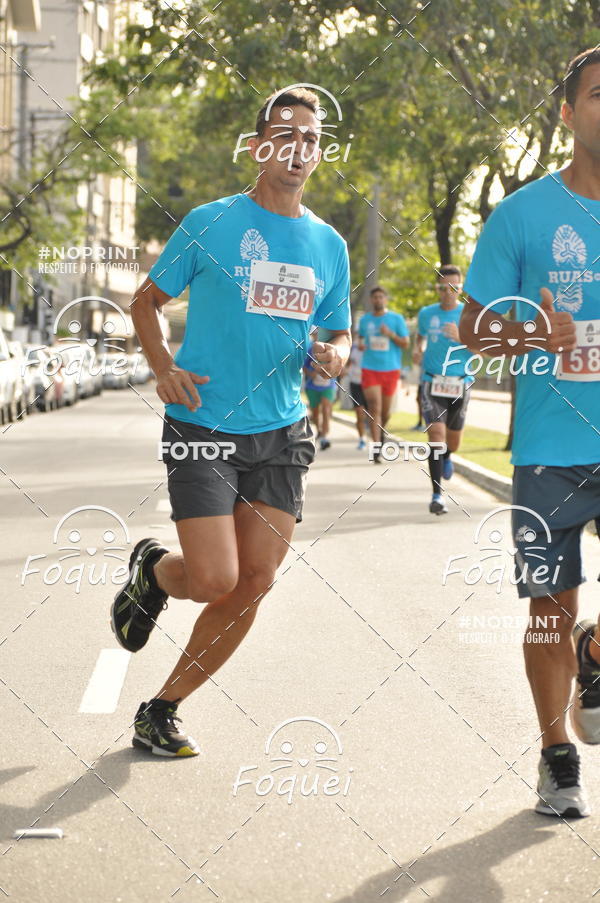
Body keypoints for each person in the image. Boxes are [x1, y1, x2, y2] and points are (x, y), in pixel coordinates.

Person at [110, 87, 351, 756]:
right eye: (285, 134)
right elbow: (146, 300)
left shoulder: (328, 244)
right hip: (204, 423)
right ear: (257, 146)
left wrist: (337, 354)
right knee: (214, 578)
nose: (298, 148)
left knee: (254, 583)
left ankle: (161, 707)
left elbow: (339, 329)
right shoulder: (211, 222)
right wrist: (162, 367)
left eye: (310, 137)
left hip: (282, 431)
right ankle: (156, 571)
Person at [459, 48, 600, 817]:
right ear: (568, 111)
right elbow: (473, 328)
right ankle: (557, 757)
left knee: (576, 619)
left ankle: (597, 648)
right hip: (550, 448)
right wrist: (533, 338)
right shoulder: (521, 214)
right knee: (550, 605)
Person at [413, 265, 473, 515]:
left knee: (453, 443)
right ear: (437, 289)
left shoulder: (469, 314)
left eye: (454, 288)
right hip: (431, 381)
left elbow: (483, 350)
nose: (448, 292)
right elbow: (420, 338)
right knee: (436, 436)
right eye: (443, 288)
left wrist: (462, 337)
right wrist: (418, 350)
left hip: (460, 382)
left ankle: (448, 456)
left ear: (460, 289)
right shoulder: (427, 314)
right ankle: (437, 495)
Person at [358, 287, 409, 462]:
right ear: (371, 300)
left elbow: (405, 343)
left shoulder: (396, 319)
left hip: (391, 369)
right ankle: (377, 447)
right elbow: (360, 338)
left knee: (385, 412)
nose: (378, 300)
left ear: (385, 299)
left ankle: (378, 432)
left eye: (381, 297)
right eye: (375, 297)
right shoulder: (365, 320)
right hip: (370, 368)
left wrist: (391, 334)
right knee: (374, 407)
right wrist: (361, 344)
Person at [304, 330, 337, 450]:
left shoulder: (332, 348)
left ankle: (324, 437)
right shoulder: (310, 350)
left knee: (326, 409)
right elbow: (304, 366)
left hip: (328, 385)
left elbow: (339, 365)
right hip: (312, 386)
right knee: (316, 412)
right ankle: (319, 430)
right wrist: (311, 374)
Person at [345, 331, 368, 450]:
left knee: (372, 414)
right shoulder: (353, 348)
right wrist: (345, 370)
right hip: (355, 383)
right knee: (359, 413)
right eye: (360, 337)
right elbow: (348, 362)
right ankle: (362, 439)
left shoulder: (370, 349)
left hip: (368, 385)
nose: (361, 339)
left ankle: (376, 440)